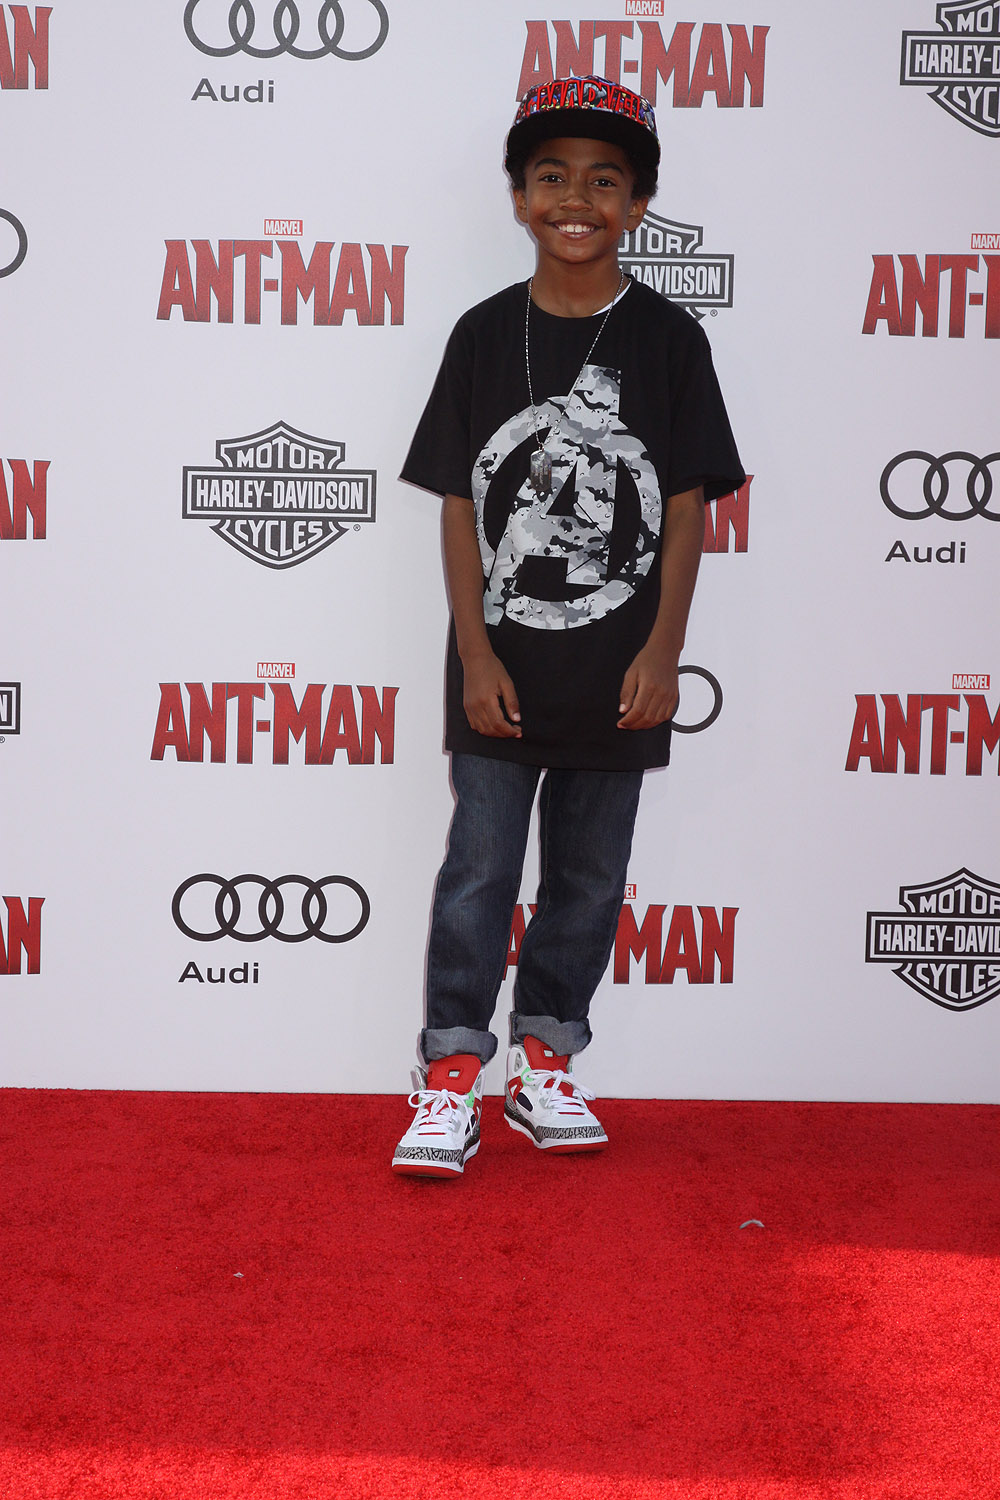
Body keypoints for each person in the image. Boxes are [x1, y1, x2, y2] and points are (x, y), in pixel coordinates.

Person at [393, 75, 744, 1178]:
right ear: (519, 198)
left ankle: (544, 1061)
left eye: (603, 179)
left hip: (619, 668)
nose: (575, 199)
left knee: (588, 880)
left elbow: (682, 507)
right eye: (551, 176)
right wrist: (476, 651)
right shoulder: (482, 334)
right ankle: (452, 1073)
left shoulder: (671, 339)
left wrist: (663, 650)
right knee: (478, 874)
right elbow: (461, 503)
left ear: (637, 203)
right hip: (498, 667)